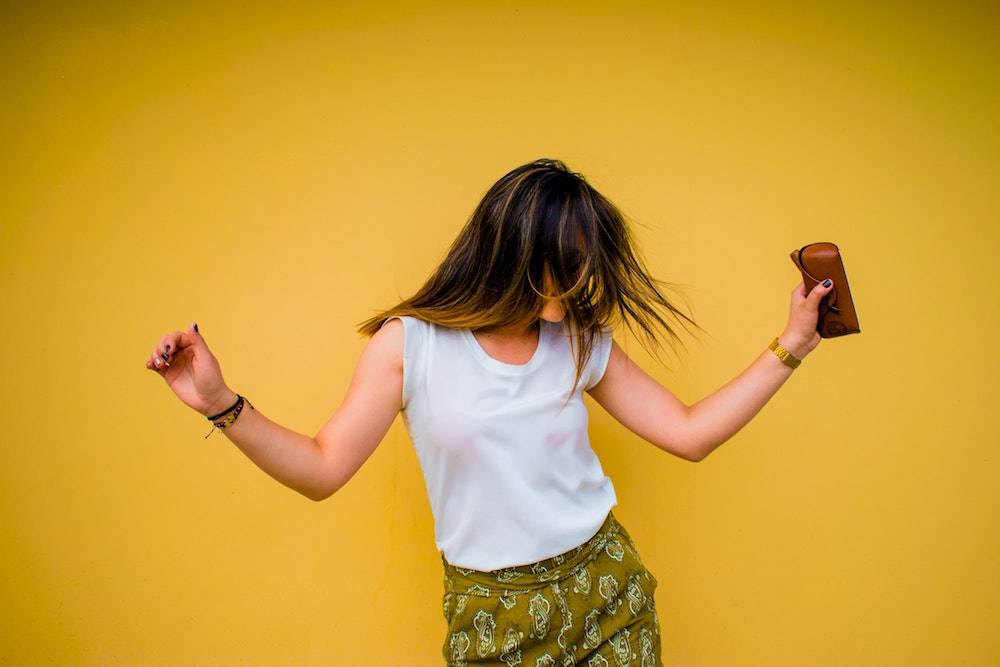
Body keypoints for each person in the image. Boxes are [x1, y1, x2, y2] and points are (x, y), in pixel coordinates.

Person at [144, 158, 834, 665]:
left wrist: (793, 344)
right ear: (517, 257)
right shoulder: (409, 345)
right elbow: (323, 468)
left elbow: (689, 433)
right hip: (491, 616)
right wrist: (221, 405)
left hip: (608, 597)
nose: (587, 277)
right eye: (573, 260)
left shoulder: (579, 340)